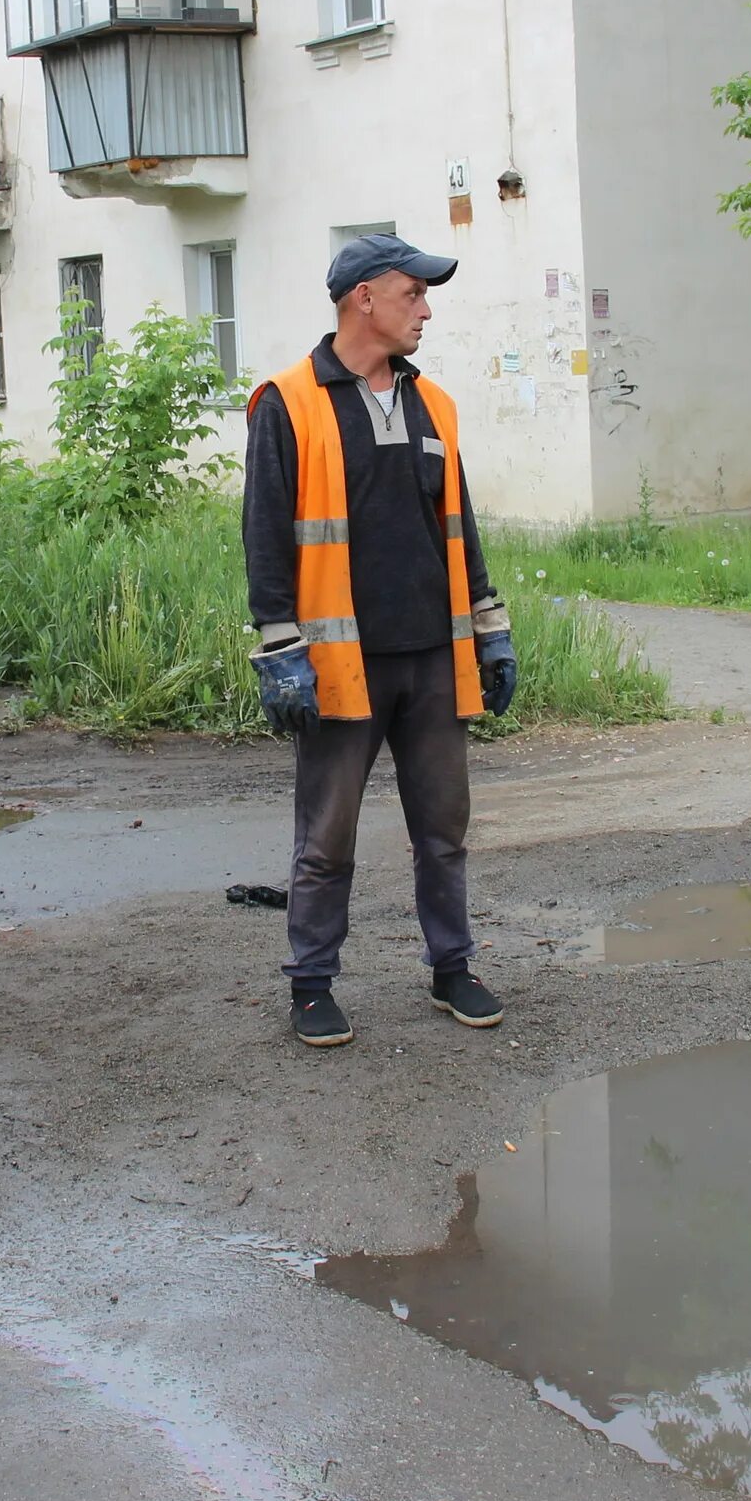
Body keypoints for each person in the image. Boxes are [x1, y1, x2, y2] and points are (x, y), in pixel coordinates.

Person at [243, 233, 517, 1050]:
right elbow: (265, 535)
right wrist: (280, 647)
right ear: (364, 298)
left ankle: (452, 968)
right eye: (413, 295)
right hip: (338, 666)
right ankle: (312, 984)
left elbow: (459, 528)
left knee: (444, 829)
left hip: (433, 656)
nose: (426, 310)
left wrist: (491, 629)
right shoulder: (287, 402)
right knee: (325, 837)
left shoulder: (435, 405)